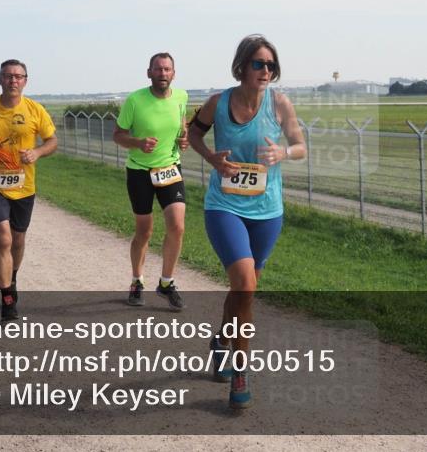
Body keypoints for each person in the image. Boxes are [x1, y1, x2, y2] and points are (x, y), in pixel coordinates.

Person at [187, 35, 305, 409]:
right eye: (258, 63)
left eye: (271, 65)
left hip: (268, 211)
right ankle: (241, 369)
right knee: (244, 282)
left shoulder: (280, 104)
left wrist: (283, 151)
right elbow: (192, 133)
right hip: (224, 206)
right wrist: (212, 158)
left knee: (245, 288)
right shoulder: (218, 103)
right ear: (241, 67)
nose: (266, 70)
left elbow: (301, 146)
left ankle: (222, 340)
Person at [0, 60, 58, 321]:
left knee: (18, 240)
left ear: (25, 81)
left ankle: (13, 276)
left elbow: (52, 140)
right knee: (4, 238)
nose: (13, 81)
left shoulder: (35, 109)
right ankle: (7, 298)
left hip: (24, 185)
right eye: (8, 76)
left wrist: (38, 152)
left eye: (18, 77)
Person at [113, 53, 189, 310]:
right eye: (158, 69)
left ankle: (167, 283)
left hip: (169, 168)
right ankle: (137, 281)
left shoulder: (182, 97)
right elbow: (118, 135)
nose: (163, 73)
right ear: (149, 73)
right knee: (144, 231)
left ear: (174, 74)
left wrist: (184, 139)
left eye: (167, 69)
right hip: (140, 172)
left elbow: (181, 127)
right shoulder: (135, 100)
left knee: (177, 226)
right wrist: (138, 143)